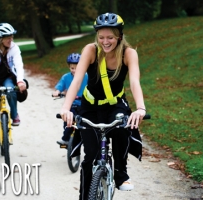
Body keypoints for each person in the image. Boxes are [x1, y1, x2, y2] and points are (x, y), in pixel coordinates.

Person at [60, 13, 147, 199]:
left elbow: (134, 82)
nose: (105, 42)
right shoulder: (91, 50)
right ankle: (85, 196)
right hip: (90, 105)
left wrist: (140, 108)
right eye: (101, 37)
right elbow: (76, 81)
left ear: (120, 37)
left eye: (110, 37)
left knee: (124, 125)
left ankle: (120, 173)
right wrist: (66, 108)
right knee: (90, 156)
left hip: (115, 103)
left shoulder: (129, 54)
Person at [0, 22, 27, 129]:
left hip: (7, 78)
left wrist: (20, 81)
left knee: (11, 91)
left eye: (12, 37)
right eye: (8, 37)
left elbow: (19, 65)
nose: (11, 39)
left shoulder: (14, 48)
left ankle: (14, 114)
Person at [52, 53, 88, 145]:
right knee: (68, 120)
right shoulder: (66, 77)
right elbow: (60, 86)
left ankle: (87, 139)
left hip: (85, 104)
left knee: (86, 123)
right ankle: (66, 139)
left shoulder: (87, 76)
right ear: (69, 67)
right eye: (72, 68)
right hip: (72, 104)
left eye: (77, 68)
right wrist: (57, 92)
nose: (75, 70)